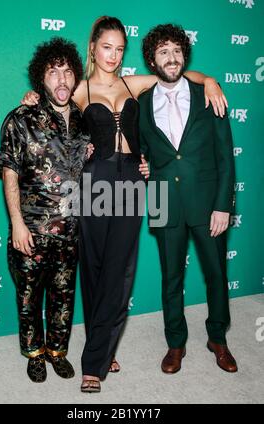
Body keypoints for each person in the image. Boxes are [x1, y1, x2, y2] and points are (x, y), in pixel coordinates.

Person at [22, 16, 228, 392]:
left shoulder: (132, 84)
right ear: (94, 48)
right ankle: (105, 346)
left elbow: (176, 76)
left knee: (121, 271)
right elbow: (52, 101)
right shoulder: (80, 89)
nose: (113, 56)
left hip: (132, 178)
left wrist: (210, 80)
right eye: (107, 47)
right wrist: (33, 97)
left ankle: (94, 362)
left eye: (119, 49)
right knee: (96, 269)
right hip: (92, 181)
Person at [139, 23, 237, 374]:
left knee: (215, 274)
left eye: (177, 50)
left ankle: (218, 339)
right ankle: (175, 344)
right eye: (163, 51)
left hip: (208, 202)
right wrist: (144, 166)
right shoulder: (143, 102)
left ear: (185, 55)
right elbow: (144, 153)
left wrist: (224, 204)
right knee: (171, 279)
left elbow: (226, 155)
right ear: (153, 59)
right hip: (165, 200)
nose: (171, 57)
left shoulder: (208, 94)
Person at [0, 37, 90, 383]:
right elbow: (9, 172)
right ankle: (34, 354)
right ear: (41, 78)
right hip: (31, 232)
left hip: (71, 233)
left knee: (63, 300)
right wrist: (17, 223)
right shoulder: (21, 118)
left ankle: (57, 351)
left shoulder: (83, 119)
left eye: (67, 72)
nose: (61, 80)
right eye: (53, 72)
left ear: (75, 76)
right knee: (29, 300)